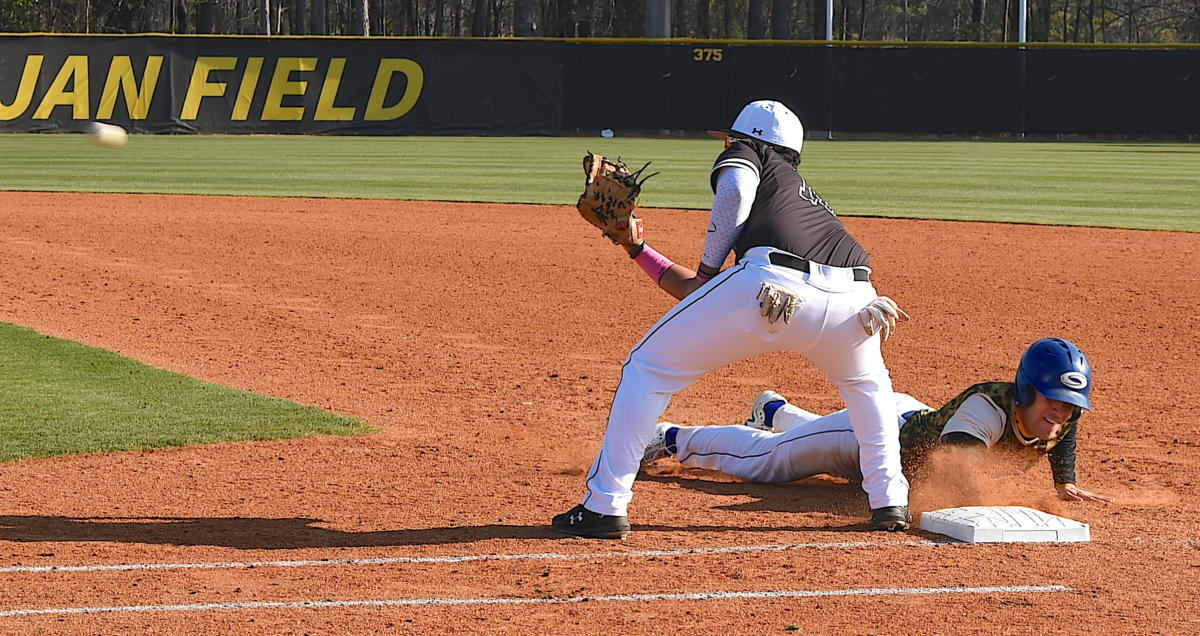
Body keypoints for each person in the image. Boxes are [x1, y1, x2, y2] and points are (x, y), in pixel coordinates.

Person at [552, 100, 912, 539]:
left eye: (731, 139)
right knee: (867, 389)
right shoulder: (804, 202)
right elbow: (702, 296)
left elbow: (736, 191)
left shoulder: (751, 154)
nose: (726, 145)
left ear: (752, 139)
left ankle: (604, 505)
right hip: (857, 300)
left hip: (772, 285)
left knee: (646, 368)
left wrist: (708, 268)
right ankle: (889, 501)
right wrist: (635, 248)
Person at [641, 338, 1114, 505]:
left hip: (907, 423)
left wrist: (1064, 482)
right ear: (1028, 390)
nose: (1061, 413)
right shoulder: (985, 412)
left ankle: (775, 412)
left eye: (1071, 405)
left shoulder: (1058, 418)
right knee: (774, 462)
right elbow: (958, 478)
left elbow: (1064, 437)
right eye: (1054, 399)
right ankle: (669, 439)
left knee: (808, 438)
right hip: (873, 435)